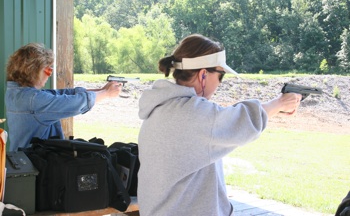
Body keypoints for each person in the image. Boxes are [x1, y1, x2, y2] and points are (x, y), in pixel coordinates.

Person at [137, 34, 302, 216]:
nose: (220, 83)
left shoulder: (160, 108)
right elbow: (241, 121)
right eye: (220, 75)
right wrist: (279, 104)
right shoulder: (192, 113)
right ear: (203, 74)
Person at [5, 43, 123, 151]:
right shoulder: (33, 100)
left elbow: (62, 95)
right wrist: (107, 94)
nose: (49, 75)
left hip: (24, 161)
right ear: (33, 70)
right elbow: (74, 103)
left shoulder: (16, 93)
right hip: (35, 165)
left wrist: (103, 90)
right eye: (47, 70)